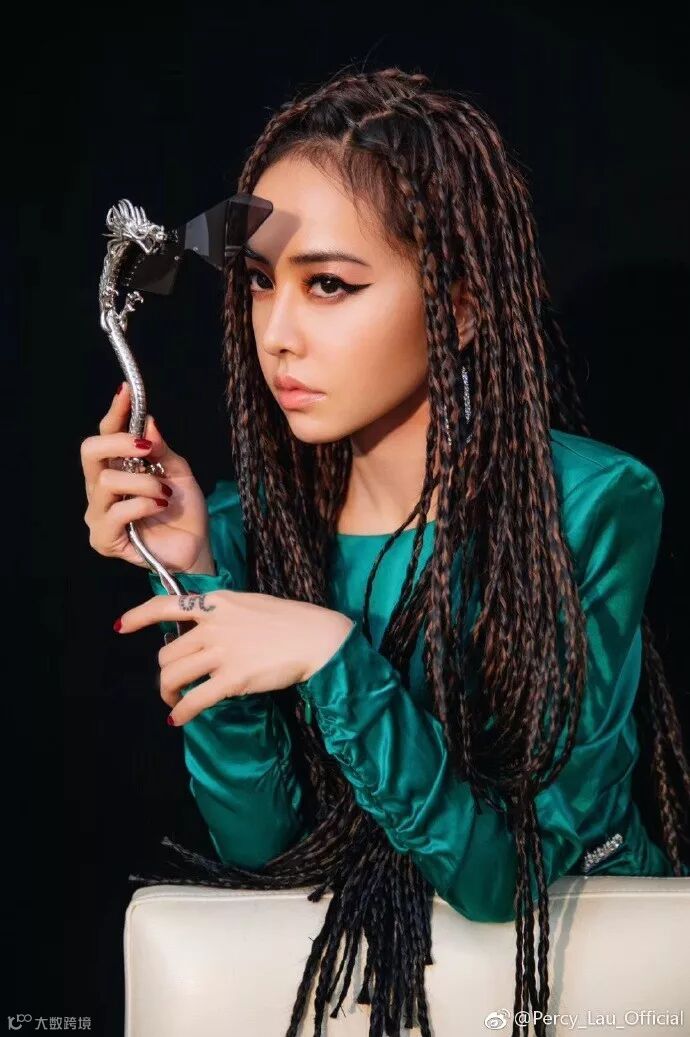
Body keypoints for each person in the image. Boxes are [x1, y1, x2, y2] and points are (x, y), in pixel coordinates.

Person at [80, 65, 690, 1037]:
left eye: (328, 284)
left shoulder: (589, 505)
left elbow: (508, 881)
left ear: (460, 303)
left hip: (576, 995)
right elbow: (263, 852)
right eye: (259, 282)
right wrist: (192, 572)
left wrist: (335, 655)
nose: (279, 335)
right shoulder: (247, 525)